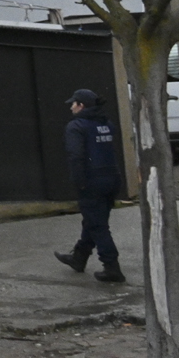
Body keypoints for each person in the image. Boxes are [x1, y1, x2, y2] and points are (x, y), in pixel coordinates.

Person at [56, 89, 126, 283]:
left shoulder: (76, 126)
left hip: (92, 180)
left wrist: (79, 181)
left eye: (73, 103)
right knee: (94, 220)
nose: (71, 107)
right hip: (112, 178)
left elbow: (75, 155)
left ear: (81, 105)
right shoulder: (107, 124)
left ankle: (112, 267)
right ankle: (79, 257)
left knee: (98, 224)